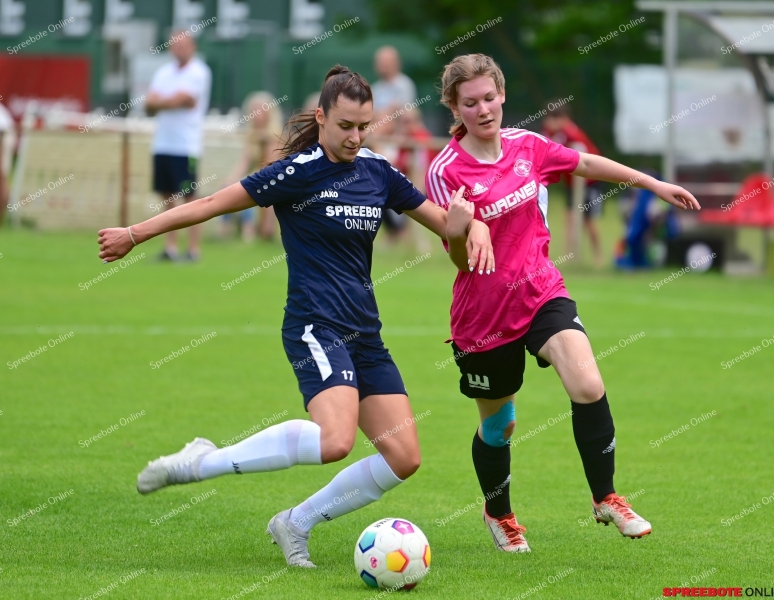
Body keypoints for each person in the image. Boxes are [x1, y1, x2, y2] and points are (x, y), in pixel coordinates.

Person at [97, 65, 493, 568]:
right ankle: (203, 460)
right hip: (314, 325)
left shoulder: (377, 172)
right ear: (323, 117)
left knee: (404, 458)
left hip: (365, 334)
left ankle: (295, 522)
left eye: (363, 126)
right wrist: (136, 233)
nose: (355, 137)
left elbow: (445, 224)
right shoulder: (297, 171)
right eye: (345, 125)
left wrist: (469, 229)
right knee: (335, 441)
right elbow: (215, 203)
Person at [426, 54, 699, 552]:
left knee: (588, 382)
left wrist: (652, 183)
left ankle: (606, 497)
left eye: (490, 97)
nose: (484, 109)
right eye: (471, 103)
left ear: (502, 94)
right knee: (498, 425)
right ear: (454, 106)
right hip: (483, 316)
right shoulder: (446, 170)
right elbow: (462, 263)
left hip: (540, 291)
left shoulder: (527, 146)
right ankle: (499, 512)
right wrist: (461, 229)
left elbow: (585, 163)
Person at [145, 29, 212, 261]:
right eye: (175, 45)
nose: (179, 49)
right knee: (167, 197)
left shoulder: (199, 72)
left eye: (183, 45)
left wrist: (161, 101)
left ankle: (193, 249)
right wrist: (169, 101)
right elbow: (149, 105)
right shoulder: (163, 72)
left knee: (190, 197)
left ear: (192, 47)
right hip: (163, 143)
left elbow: (186, 100)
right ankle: (170, 248)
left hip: (186, 146)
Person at [541, 102, 604, 266]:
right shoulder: (551, 132)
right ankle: (569, 256)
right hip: (571, 183)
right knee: (569, 217)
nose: (550, 122)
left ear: (564, 119)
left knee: (588, 220)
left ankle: (598, 256)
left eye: (554, 118)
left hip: (589, 182)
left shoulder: (571, 133)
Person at [220, 91, 284, 242]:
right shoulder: (252, 135)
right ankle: (225, 231)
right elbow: (244, 162)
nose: (256, 115)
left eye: (261, 111)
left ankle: (249, 232)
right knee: (228, 188)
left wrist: (245, 179)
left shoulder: (273, 135)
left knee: (247, 188)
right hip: (260, 177)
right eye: (254, 111)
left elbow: (270, 166)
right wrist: (231, 179)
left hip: (274, 179)